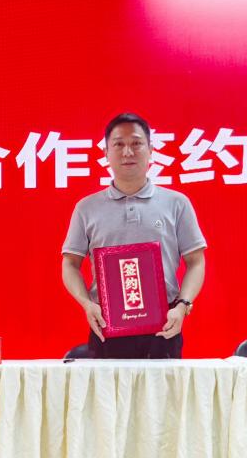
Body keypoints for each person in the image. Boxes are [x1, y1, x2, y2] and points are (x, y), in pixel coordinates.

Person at [61, 112, 206, 359]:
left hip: (165, 324)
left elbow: (196, 261)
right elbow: (70, 264)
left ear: (151, 150)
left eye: (136, 143)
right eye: (118, 144)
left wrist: (183, 306)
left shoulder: (177, 203)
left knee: (163, 386)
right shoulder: (86, 208)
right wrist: (87, 304)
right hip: (107, 324)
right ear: (106, 153)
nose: (128, 152)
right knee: (108, 386)